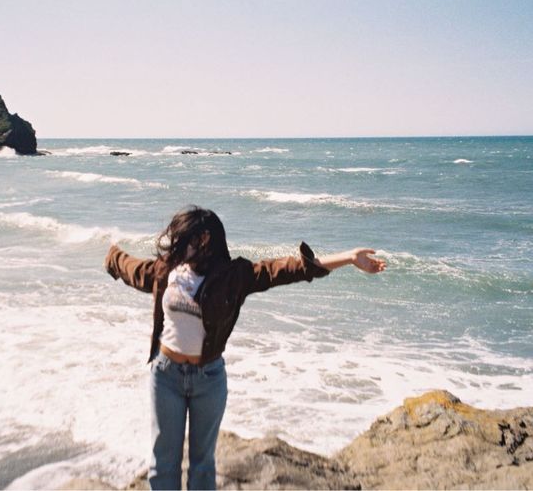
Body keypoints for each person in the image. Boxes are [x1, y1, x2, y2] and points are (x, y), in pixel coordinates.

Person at [104, 205, 386, 490]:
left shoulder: (234, 276)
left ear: (204, 239)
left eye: (185, 238)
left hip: (208, 380)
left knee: (202, 466)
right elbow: (132, 269)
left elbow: (287, 269)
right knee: (163, 464)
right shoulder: (167, 269)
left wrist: (349, 258)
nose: (178, 245)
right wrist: (112, 252)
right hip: (166, 377)